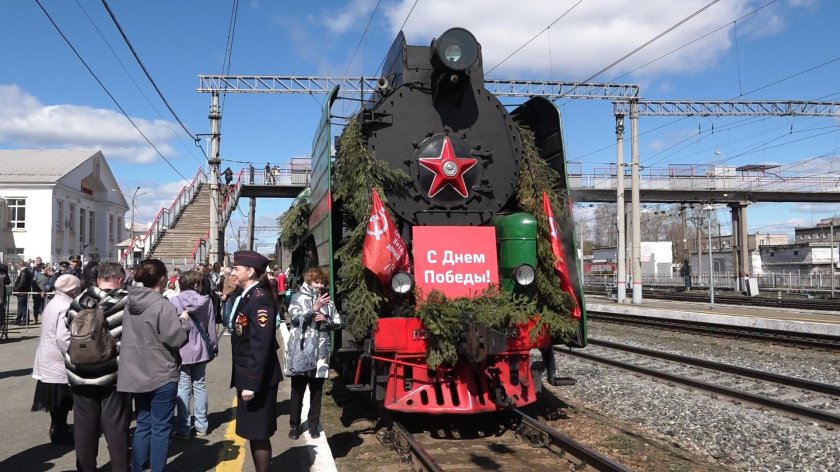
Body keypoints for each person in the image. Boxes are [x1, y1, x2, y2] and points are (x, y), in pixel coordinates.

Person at [118, 259, 190, 472]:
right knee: (161, 428)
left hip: (135, 370)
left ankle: (138, 468)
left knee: (143, 424)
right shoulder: (162, 305)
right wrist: (184, 322)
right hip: (161, 371)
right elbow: (175, 338)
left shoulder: (128, 302)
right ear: (161, 278)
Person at [60, 262, 132, 472]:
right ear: (120, 280)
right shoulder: (125, 301)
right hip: (112, 373)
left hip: (80, 372)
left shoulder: (78, 301)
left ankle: (86, 468)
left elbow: (68, 326)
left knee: (84, 427)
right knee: (116, 426)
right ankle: (120, 467)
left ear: (98, 278)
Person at [230, 250, 282, 472]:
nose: (233, 273)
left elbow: (260, 345)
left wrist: (251, 383)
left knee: (258, 433)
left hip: (257, 378)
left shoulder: (260, 300)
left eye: (237, 269)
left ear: (250, 271)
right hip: (249, 373)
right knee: (253, 431)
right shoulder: (248, 295)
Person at [286, 266, 341, 440]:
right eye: (316, 282)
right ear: (309, 281)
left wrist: (327, 319)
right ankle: (294, 425)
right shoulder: (297, 297)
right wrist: (313, 310)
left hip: (321, 351)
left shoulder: (328, 300)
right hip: (302, 350)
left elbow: (339, 322)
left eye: (322, 282)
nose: (319, 285)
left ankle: (313, 425)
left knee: (317, 391)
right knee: (297, 390)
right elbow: (294, 318)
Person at [32, 274, 81, 445]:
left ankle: (58, 426)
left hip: (48, 354)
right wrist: (75, 353)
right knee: (62, 396)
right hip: (58, 357)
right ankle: (59, 429)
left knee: (57, 396)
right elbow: (63, 337)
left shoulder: (54, 302)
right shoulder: (67, 305)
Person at [169, 269, 217, 439]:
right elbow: (211, 326)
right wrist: (213, 345)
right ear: (196, 284)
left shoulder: (173, 301)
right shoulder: (207, 301)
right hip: (202, 348)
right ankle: (202, 424)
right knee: (200, 385)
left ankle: (183, 426)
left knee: (182, 387)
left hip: (181, 350)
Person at [220, 266, 240, 335]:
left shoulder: (230, 277)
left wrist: (225, 294)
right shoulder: (228, 277)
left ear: (227, 272)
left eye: (225, 272)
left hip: (229, 298)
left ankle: (230, 328)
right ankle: (229, 327)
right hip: (227, 297)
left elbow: (233, 286)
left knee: (228, 313)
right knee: (226, 313)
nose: (224, 274)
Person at [13, 260, 33, 325]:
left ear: (20, 265)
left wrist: (16, 289)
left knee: (23, 306)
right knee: (21, 306)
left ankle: (25, 321)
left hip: (22, 292)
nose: (17, 267)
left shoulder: (24, 272)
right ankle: (18, 319)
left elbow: (22, 283)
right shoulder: (27, 271)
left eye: (18, 266)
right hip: (23, 291)